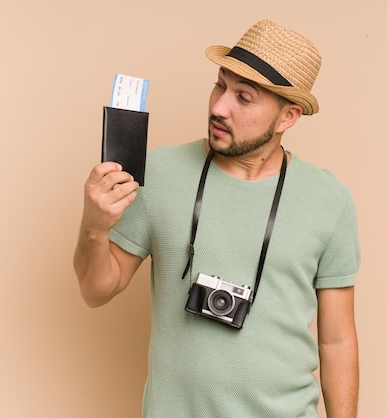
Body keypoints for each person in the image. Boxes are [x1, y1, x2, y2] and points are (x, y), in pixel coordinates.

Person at [74, 19, 360, 418]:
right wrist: (94, 225)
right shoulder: (157, 173)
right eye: (220, 85)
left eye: (244, 97)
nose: (219, 106)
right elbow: (95, 290)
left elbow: (337, 341)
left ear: (288, 117)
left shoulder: (330, 200)